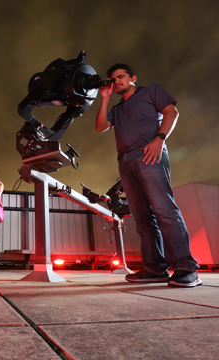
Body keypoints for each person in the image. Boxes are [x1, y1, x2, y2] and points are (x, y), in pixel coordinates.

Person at [95, 64, 202, 287]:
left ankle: (186, 266)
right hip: (125, 160)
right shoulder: (116, 108)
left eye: (121, 77)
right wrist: (104, 98)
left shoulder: (150, 91)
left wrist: (159, 139)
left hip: (149, 153)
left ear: (133, 78)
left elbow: (172, 111)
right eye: (113, 79)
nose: (116, 82)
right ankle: (155, 268)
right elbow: (101, 126)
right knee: (142, 216)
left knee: (164, 208)